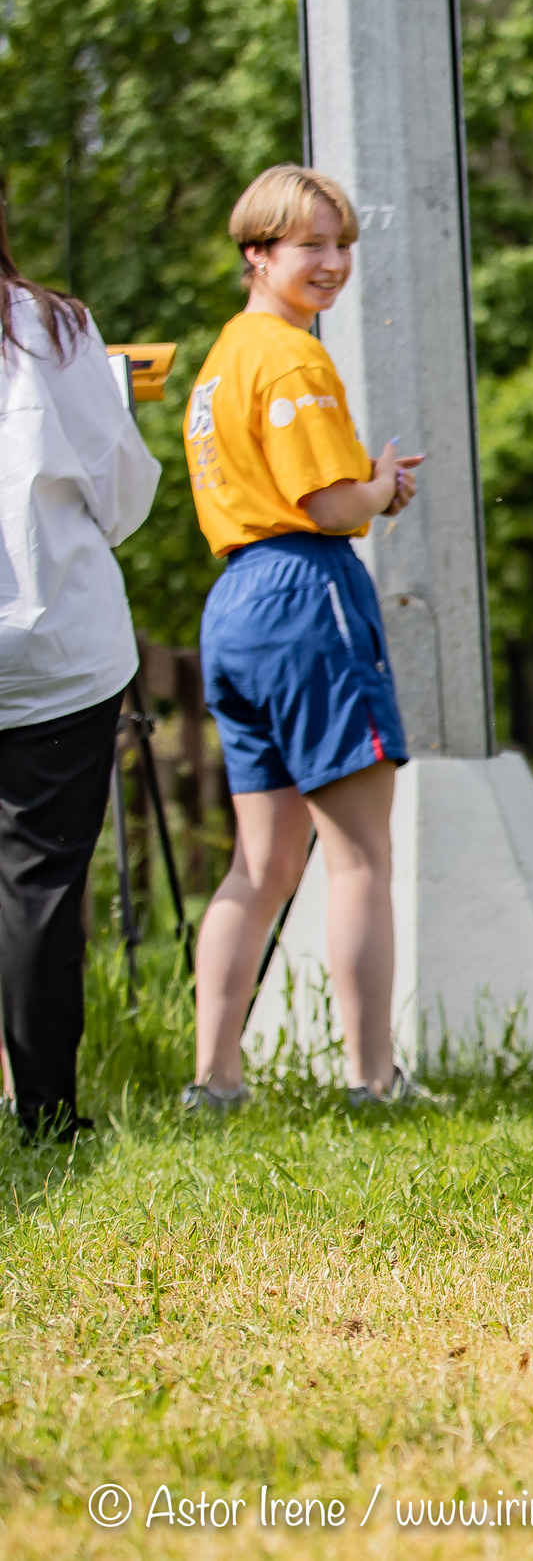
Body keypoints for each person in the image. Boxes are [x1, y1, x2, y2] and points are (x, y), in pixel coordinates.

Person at [183, 165, 427, 1111]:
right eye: (309, 246)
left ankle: (216, 1079)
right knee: (360, 853)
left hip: (234, 603)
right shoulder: (290, 356)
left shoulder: (219, 362)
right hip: (302, 593)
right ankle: (373, 1080)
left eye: (342, 245)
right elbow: (327, 503)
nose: (332, 264)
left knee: (261, 861)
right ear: (258, 254)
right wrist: (382, 488)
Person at [0, 201, 160, 1144]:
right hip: (55, 646)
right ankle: (47, 1112)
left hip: (57, 653)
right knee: (40, 887)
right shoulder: (51, 327)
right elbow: (119, 484)